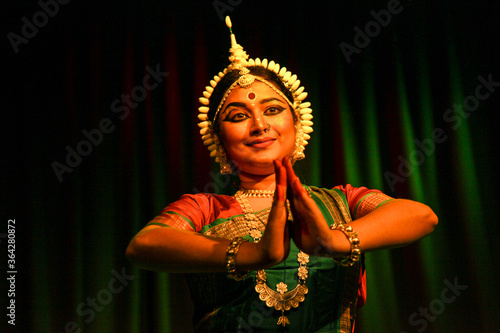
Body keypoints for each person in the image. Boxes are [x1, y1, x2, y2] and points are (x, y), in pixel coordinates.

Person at [126, 16, 438, 333]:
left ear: (296, 122)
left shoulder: (340, 201)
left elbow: (421, 216)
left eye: (273, 109)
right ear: (219, 140)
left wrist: (332, 239)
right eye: (238, 116)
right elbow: (144, 245)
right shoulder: (207, 209)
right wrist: (253, 254)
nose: (259, 125)